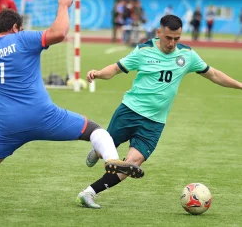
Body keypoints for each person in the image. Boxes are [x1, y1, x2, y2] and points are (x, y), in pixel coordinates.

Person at [76, 14, 242, 209]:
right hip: (129, 111)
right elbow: (115, 69)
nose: (172, 43)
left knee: (132, 163)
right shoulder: (143, 51)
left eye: (177, 39)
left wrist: (239, 85)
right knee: (107, 147)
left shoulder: (187, 56)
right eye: (168, 38)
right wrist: (97, 73)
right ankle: (97, 151)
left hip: (155, 122)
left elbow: (213, 74)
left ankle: (88, 193)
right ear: (159, 33)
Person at [0, 0, 144, 183]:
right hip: (43, 116)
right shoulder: (21, 39)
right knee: (94, 130)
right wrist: (63, 5)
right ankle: (111, 160)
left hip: (7, 126)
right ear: (15, 28)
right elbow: (59, 33)